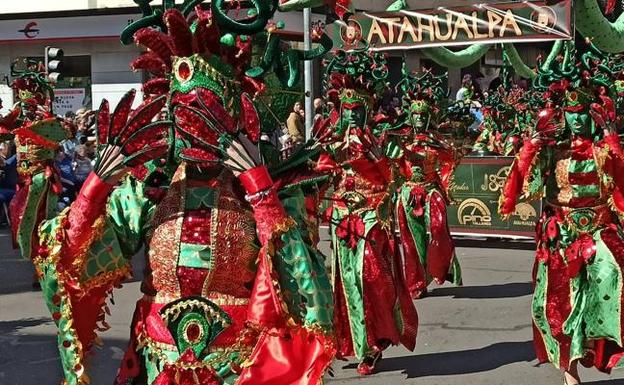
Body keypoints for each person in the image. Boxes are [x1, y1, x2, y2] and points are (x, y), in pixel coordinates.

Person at [27, 5, 335, 385]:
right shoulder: (151, 189)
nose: (194, 128)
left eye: (207, 112)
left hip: (238, 365)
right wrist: (96, 187)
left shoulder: (273, 191)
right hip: (158, 362)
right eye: (184, 113)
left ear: (232, 114)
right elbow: (70, 260)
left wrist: (259, 189)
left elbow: (305, 288)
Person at [499, 41, 624, 385]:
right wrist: (531, 146)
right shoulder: (551, 150)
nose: (580, 117)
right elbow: (524, 181)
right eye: (573, 111)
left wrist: (613, 145)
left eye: (586, 110)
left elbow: (621, 187)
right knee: (558, 304)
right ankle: (569, 371)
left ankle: (603, 349)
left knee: (613, 277)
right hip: (562, 232)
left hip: (599, 229)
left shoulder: (605, 147)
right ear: (562, 113)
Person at [319, 46, 418, 375]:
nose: (349, 115)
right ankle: (358, 343)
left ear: (366, 109)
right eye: (345, 108)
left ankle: (375, 342)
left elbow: (389, 177)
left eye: (356, 109)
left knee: (369, 277)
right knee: (345, 282)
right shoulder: (334, 140)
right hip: (341, 219)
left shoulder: (381, 141)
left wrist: (369, 153)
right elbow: (323, 173)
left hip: (371, 217)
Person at [392, 69, 462, 298]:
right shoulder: (401, 138)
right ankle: (417, 283)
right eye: (416, 115)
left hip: (431, 192)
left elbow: (452, 159)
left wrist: (442, 152)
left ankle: (440, 269)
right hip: (408, 193)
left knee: (438, 231)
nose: (420, 119)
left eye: (423, 115)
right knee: (412, 242)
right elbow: (392, 165)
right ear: (410, 116)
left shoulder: (437, 139)